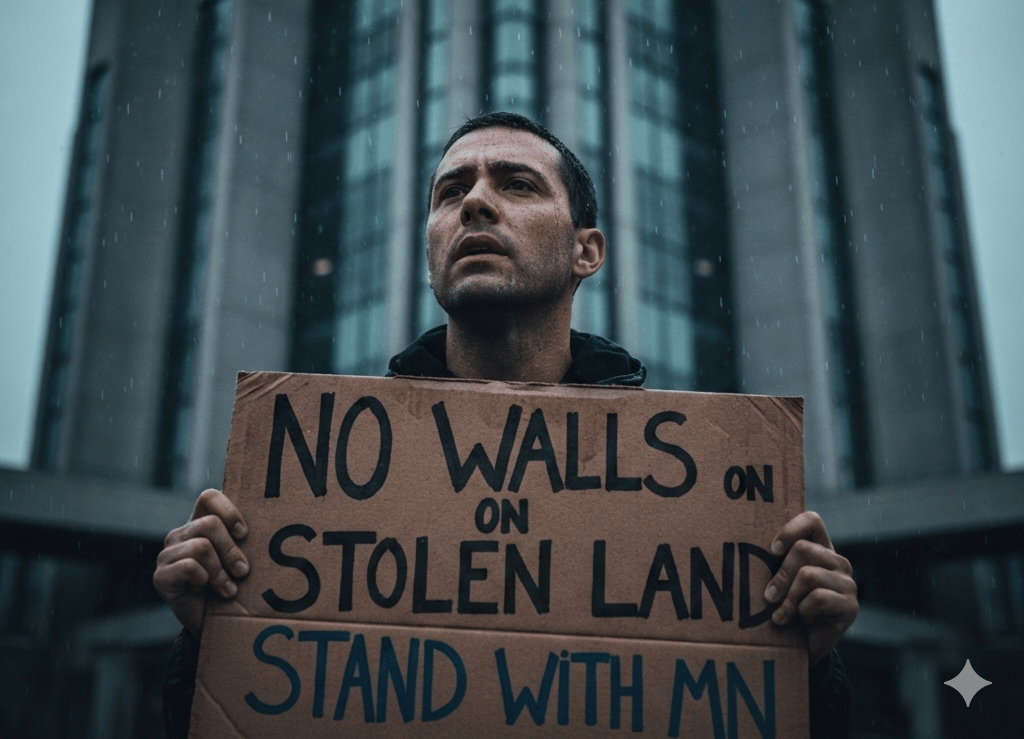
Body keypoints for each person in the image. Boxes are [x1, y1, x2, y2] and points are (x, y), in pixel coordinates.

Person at [155, 111, 857, 737]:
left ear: (588, 251)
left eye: (516, 184)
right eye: (451, 192)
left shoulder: (695, 489)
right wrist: (215, 641)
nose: (476, 204)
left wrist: (804, 665)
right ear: (429, 247)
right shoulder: (319, 475)